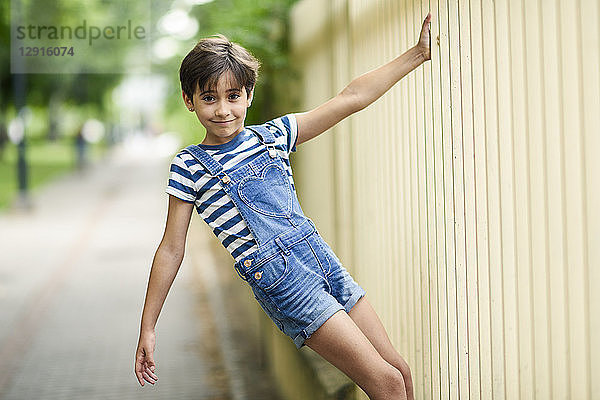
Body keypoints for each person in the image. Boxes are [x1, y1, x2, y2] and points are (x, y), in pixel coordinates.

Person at [135, 12, 432, 400]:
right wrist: (149, 326)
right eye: (209, 98)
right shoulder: (189, 166)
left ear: (249, 95)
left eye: (233, 96)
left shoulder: (274, 135)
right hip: (283, 282)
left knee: (398, 372)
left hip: (320, 258)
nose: (223, 109)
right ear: (189, 100)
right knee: (387, 384)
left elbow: (350, 97)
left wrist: (418, 54)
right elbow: (172, 249)